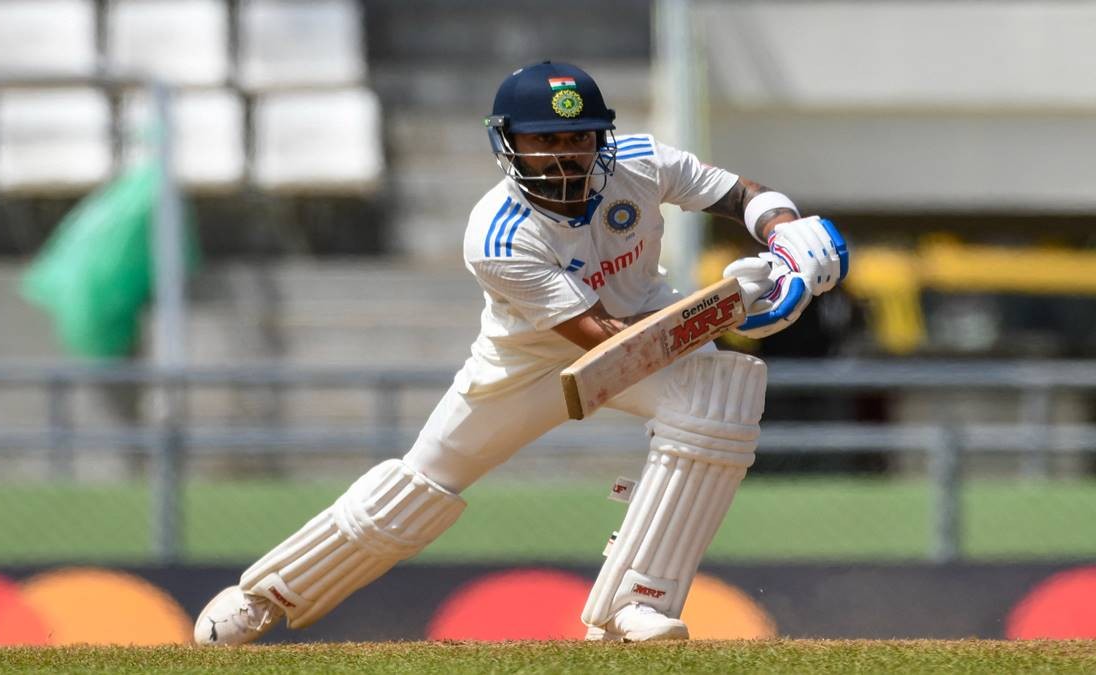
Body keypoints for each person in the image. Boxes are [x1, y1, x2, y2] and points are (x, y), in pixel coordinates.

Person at [194, 60, 848, 645]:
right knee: (422, 484)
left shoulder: (641, 162)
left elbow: (739, 194)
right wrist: (737, 306)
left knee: (721, 397)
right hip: (525, 363)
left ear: (602, 137)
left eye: (579, 138)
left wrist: (787, 235)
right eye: (547, 141)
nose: (566, 156)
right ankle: (268, 594)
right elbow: (610, 343)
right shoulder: (497, 235)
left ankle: (635, 603)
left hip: (641, 329)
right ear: (509, 143)